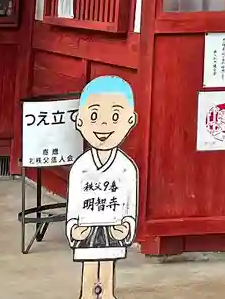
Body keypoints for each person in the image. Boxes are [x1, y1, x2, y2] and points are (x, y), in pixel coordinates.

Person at [66, 75, 139, 299]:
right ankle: (87, 295)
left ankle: (107, 294)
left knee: (107, 263)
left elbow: (130, 203)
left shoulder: (126, 168)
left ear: (130, 120)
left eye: (115, 116)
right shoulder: (81, 167)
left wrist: (127, 226)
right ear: (79, 120)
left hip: (113, 225)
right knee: (89, 265)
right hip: (87, 226)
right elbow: (74, 203)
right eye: (94, 116)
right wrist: (73, 227)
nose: (104, 125)